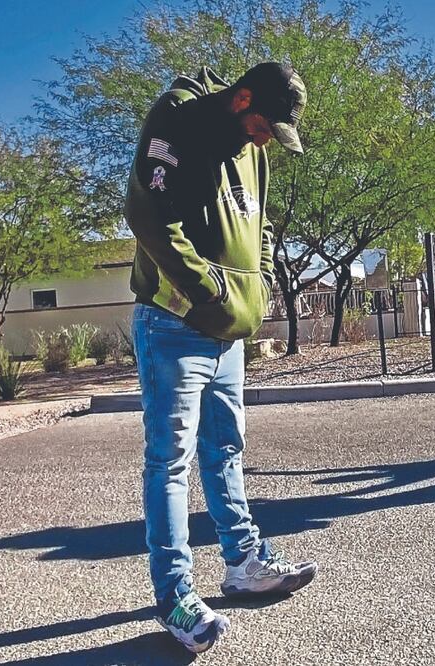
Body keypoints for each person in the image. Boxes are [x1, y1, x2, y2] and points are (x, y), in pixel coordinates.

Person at [125, 62, 315, 654]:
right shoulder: (176, 121)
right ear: (243, 99)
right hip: (174, 323)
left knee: (226, 448)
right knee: (170, 461)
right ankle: (175, 594)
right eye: (263, 125)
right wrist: (209, 292)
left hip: (228, 328)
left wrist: (250, 290)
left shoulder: (255, 148)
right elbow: (149, 218)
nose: (265, 139)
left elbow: (258, 226)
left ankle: (244, 563)